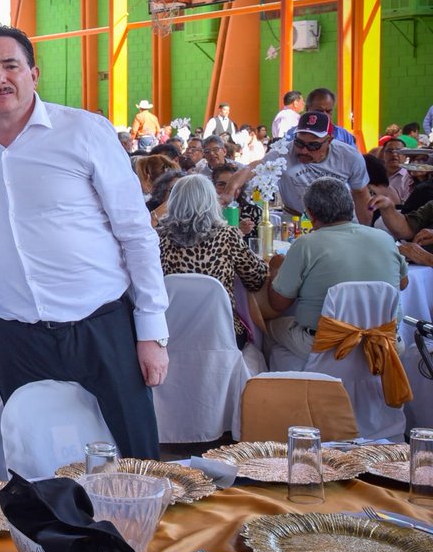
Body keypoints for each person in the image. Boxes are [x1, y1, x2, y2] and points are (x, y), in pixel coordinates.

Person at [0, 24, 169, 460]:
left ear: (34, 73)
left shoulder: (84, 132)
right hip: (16, 337)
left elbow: (136, 233)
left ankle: (143, 530)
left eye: (10, 65)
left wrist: (151, 332)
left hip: (102, 327)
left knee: (137, 460)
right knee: (36, 458)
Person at [264, 178, 407, 367]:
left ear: (311, 214)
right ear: (351, 208)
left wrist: (275, 269)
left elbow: (278, 303)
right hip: (386, 342)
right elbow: (403, 284)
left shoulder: (307, 244)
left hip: (326, 345)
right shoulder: (384, 238)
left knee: (267, 328)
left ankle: (286, 389)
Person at [156, 175, 267, 349]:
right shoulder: (227, 236)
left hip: (171, 331)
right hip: (222, 332)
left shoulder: (158, 239)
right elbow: (256, 280)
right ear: (211, 201)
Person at [228, 112, 371, 225]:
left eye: (313, 146)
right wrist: (231, 188)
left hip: (340, 224)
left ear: (329, 140)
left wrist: (366, 230)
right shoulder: (284, 152)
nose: (304, 151)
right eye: (299, 143)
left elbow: (361, 194)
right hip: (296, 222)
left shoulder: (349, 156)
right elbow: (253, 167)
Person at [284, 88, 357, 147]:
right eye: (319, 111)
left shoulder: (343, 135)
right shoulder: (292, 135)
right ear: (307, 109)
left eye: (328, 111)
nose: (325, 115)